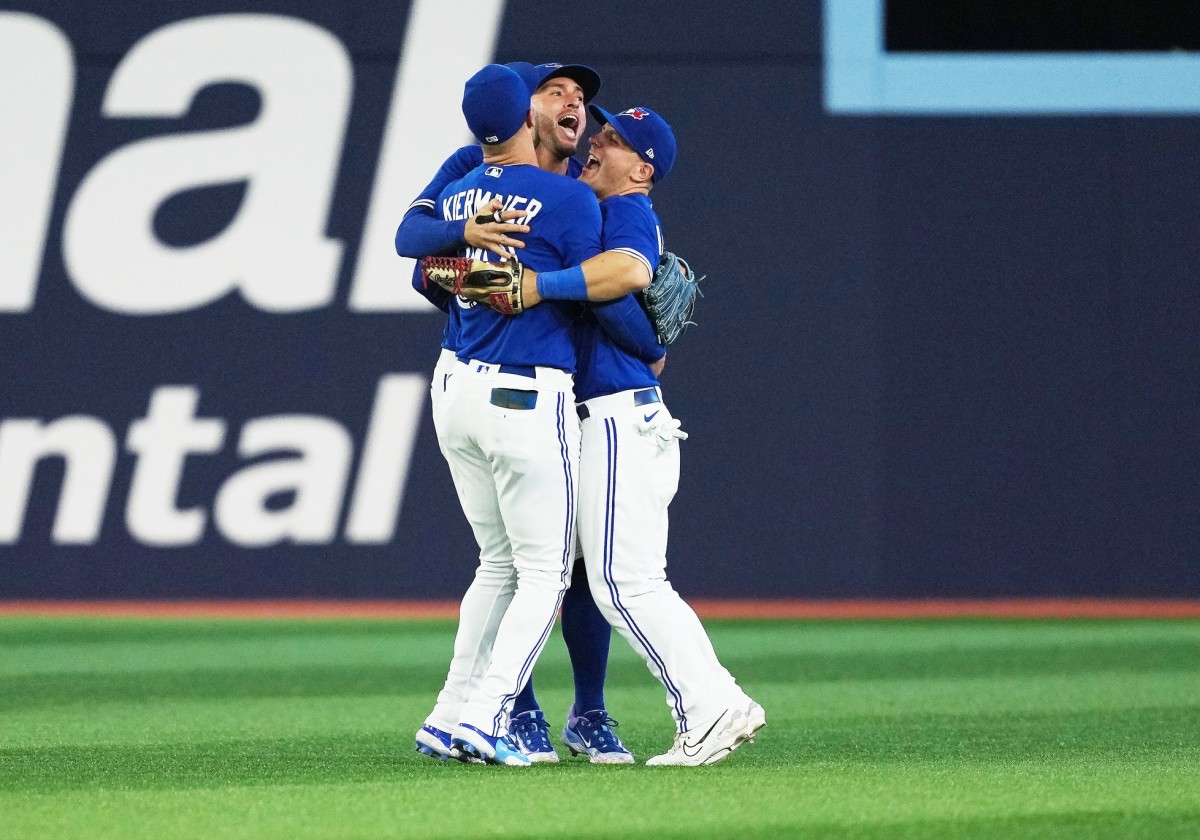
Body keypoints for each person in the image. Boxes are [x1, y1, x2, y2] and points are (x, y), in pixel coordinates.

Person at [399, 62, 638, 765]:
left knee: (504, 565)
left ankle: (452, 716)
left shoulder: (483, 183)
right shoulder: (555, 197)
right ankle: (495, 714)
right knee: (544, 572)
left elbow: (420, 245)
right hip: (529, 391)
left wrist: (491, 279)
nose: (574, 103)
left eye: (580, 97)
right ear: (524, 115)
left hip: (461, 382)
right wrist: (648, 335)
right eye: (554, 92)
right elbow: (421, 263)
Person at [517, 105, 767, 766]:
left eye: (616, 140)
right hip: (625, 414)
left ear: (643, 168)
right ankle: (713, 704)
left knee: (627, 584)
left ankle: (713, 707)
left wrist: (631, 325)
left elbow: (622, 286)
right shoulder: (607, 209)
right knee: (623, 580)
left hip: (621, 416)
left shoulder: (627, 210)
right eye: (600, 133)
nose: (597, 143)